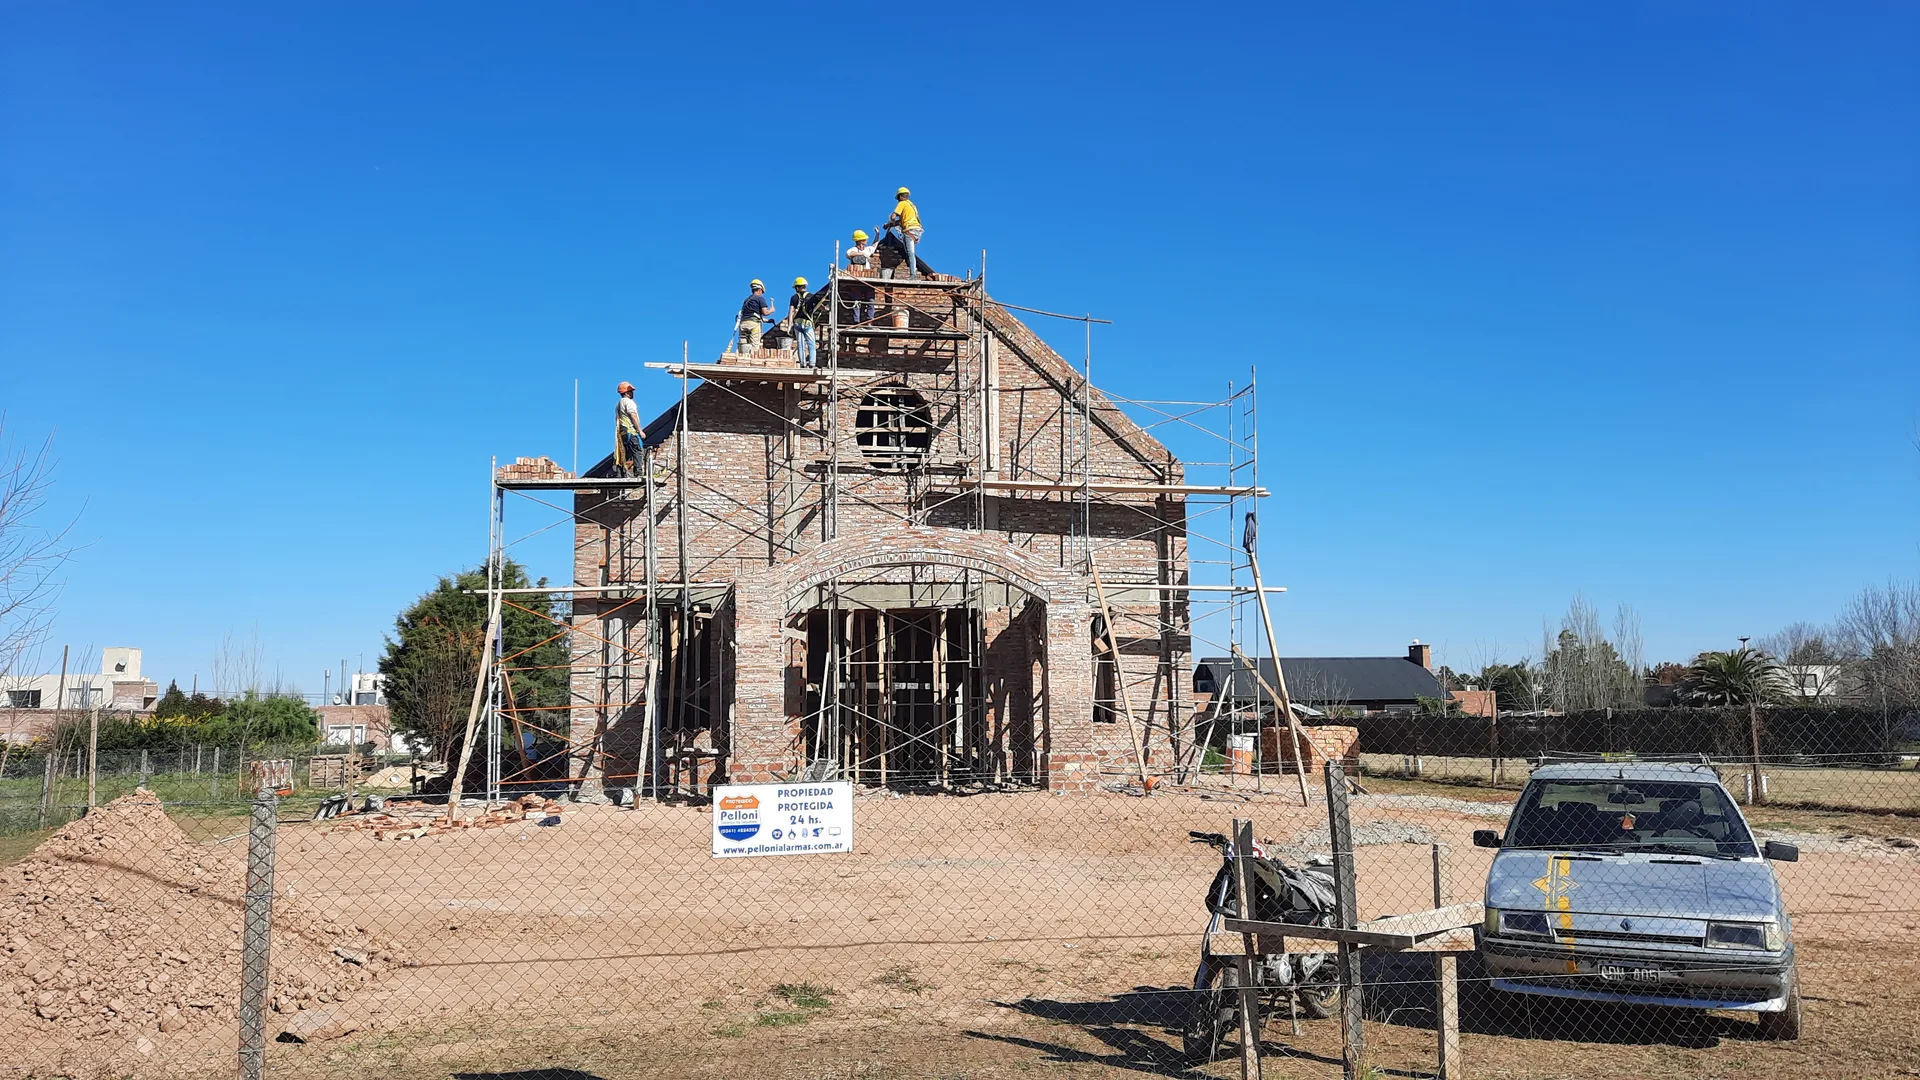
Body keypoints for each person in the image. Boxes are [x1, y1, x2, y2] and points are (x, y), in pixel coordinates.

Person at [881, 186, 922, 280]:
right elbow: (901, 221)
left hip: (909, 230)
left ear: (900, 197)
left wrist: (891, 218)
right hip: (917, 231)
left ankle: (913, 275)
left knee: (910, 253)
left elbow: (894, 216)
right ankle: (913, 273)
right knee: (911, 253)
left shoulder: (902, 203)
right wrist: (889, 225)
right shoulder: (911, 205)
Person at [845, 231, 878, 324]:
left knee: (871, 300)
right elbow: (849, 254)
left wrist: (877, 234)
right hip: (856, 280)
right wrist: (862, 254)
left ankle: (869, 320)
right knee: (856, 301)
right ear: (860, 241)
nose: (867, 240)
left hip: (867, 279)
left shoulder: (867, 249)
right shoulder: (853, 249)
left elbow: (875, 245)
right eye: (865, 239)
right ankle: (856, 322)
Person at [737, 279, 774, 355]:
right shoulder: (760, 299)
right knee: (754, 348)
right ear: (760, 290)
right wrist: (771, 310)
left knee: (743, 348)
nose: (762, 294)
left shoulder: (747, 300)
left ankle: (743, 362)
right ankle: (753, 361)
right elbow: (765, 312)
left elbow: (752, 314)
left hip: (743, 325)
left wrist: (768, 321)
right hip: (753, 325)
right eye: (762, 292)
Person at [614, 381, 642, 476]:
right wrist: (640, 431)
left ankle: (620, 474)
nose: (632, 393)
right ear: (626, 393)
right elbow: (632, 415)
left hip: (622, 432)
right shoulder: (628, 402)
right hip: (630, 430)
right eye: (630, 391)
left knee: (624, 453)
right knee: (637, 451)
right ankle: (638, 472)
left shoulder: (618, 404)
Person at [788, 277, 818, 368]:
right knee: (811, 344)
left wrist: (789, 325)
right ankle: (812, 363)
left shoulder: (794, 298)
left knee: (800, 344)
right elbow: (820, 306)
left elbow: (791, 312)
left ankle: (803, 364)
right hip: (807, 323)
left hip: (797, 323)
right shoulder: (811, 296)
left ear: (797, 287)